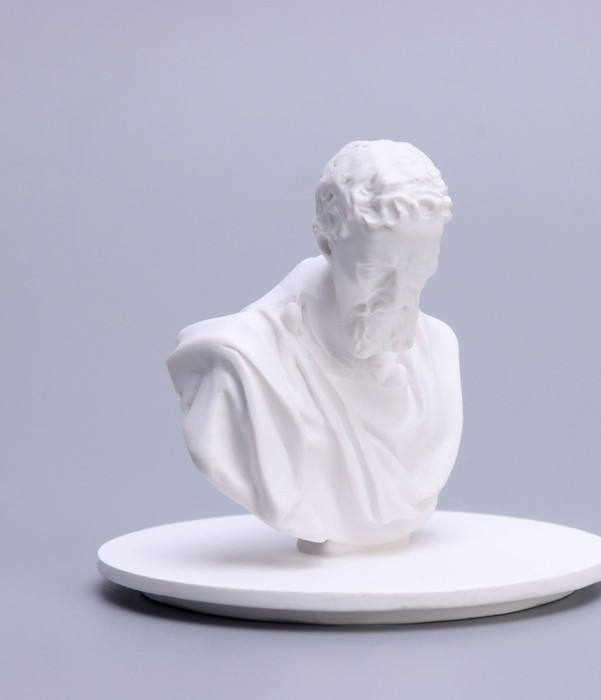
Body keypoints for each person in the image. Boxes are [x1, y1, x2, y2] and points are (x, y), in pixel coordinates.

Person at [167, 140, 462, 549]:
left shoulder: (438, 350)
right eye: (374, 269)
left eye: (419, 266)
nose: (398, 294)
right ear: (327, 246)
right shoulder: (242, 364)